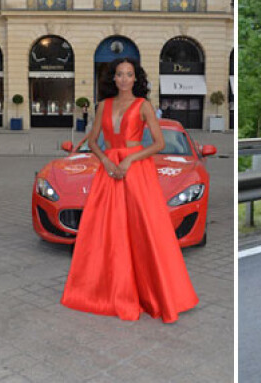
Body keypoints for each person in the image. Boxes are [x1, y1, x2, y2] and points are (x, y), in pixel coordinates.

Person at [61, 57, 198, 322]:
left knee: (141, 229)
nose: (124, 79)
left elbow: (158, 143)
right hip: (108, 172)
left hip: (136, 172)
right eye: (120, 74)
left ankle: (151, 292)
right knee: (106, 231)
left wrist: (128, 159)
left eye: (129, 74)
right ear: (113, 78)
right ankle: (109, 290)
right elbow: (93, 141)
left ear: (136, 78)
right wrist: (105, 161)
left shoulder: (143, 105)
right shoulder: (103, 106)